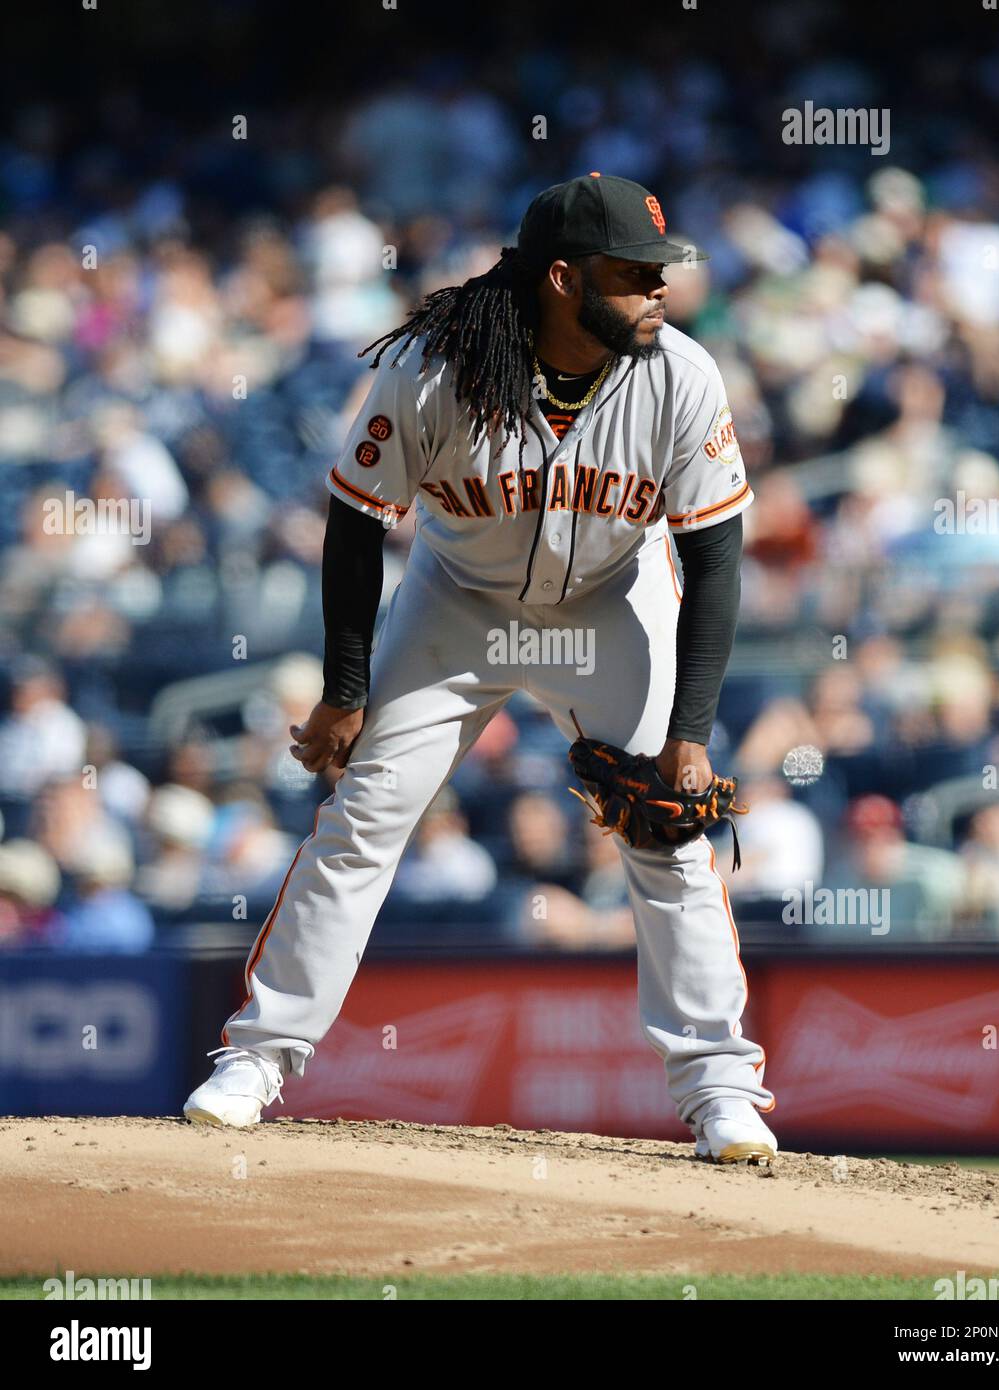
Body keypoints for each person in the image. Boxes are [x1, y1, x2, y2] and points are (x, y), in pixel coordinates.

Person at [184, 174, 776, 1163]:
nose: (659, 290)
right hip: (458, 602)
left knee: (667, 838)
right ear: (561, 277)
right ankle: (255, 1060)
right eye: (636, 273)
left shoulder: (681, 375)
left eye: (661, 271)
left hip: (610, 601)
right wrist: (344, 688)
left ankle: (722, 1090)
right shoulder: (432, 367)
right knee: (362, 818)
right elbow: (354, 522)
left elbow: (715, 557)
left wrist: (691, 736)